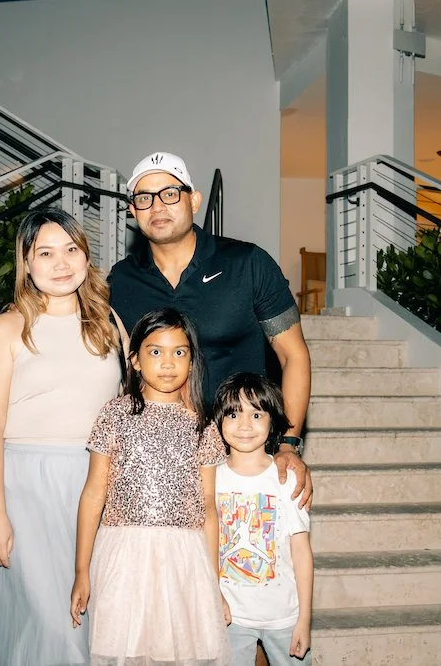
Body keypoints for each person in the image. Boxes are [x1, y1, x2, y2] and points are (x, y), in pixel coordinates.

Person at [108, 151, 313, 508]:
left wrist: (289, 443)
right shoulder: (122, 280)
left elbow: (292, 355)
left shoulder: (248, 263)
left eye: (169, 193)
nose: (157, 206)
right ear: (132, 210)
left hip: (243, 452)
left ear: (194, 200)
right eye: (144, 198)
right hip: (160, 458)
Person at [0, 208, 123, 665]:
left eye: (71, 249)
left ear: (86, 256)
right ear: (27, 263)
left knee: (95, 616)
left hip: (98, 481)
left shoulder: (108, 323)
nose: (61, 263)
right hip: (28, 486)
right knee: (46, 622)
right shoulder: (6, 328)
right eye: (46, 253)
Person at [70, 307, 231, 665]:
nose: (168, 362)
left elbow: (208, 507)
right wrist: (81, 571)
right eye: (155, 351)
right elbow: (94, 493)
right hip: (125, 556)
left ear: (192, 361)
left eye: (180, 352)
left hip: (184, 560)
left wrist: (213, 583)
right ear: (135, 360)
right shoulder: (114, 415)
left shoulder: (203, 426)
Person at [213, 372, 313, 666]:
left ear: (272, 423)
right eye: (233, 414)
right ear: (219, 420)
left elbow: (301, 552)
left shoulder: (286, 479)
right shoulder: (211, 479)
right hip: (230, 617)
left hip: (284, 617)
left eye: (256, 415)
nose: (244, 424)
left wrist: (305, 619)